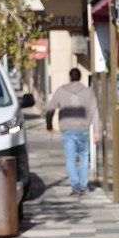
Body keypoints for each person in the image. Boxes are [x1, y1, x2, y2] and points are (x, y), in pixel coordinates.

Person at [45, 68, 99, 196]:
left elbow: (50, 108)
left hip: (67, 128)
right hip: (83, 128)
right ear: (80, 77)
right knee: (84, 156)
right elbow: (94, 111)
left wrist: (49, 124)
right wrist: (96, 130)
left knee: (70, 158)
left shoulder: (61, 91)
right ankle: (84, 186)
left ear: (70, 77)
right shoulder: (88, 92)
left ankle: (75, 185)